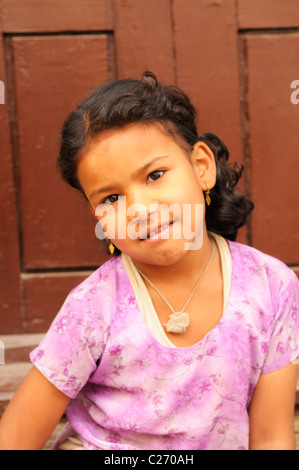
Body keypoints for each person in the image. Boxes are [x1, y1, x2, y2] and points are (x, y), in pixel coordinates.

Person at [0, 72, 298, 450]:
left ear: (201, 166)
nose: (138, 209)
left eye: (155, 175)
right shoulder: (93, 307)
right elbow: (13, 439)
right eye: (110, 199)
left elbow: (272, 438)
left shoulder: (271, 285)